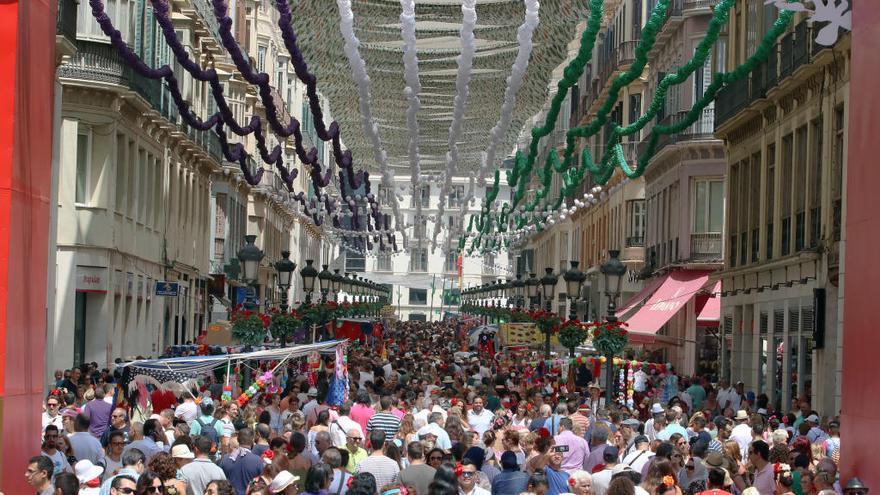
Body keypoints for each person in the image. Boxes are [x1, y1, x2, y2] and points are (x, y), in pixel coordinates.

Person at [219, 428, 264, 495]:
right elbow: (261, 484)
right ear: (252, 441)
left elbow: (220, 481)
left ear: (238, 439)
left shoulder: (226, 458)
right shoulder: (257, 461)